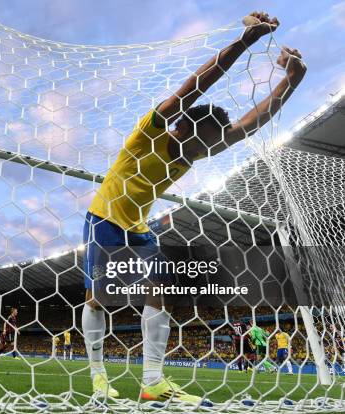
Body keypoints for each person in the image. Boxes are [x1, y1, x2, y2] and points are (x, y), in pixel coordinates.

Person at [81, 11, 306, 403]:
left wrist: (292, 81)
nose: (202, 153)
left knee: (160, 291)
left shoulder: (192, 151)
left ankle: (152, 381)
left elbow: (250, 124)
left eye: (207, 146)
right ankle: (99, 378)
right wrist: (245, 42)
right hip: (104, 217)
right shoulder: (146, 135)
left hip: (137, 226)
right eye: (200, 142)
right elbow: (191, 89)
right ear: (181, 127)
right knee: (100, 298)